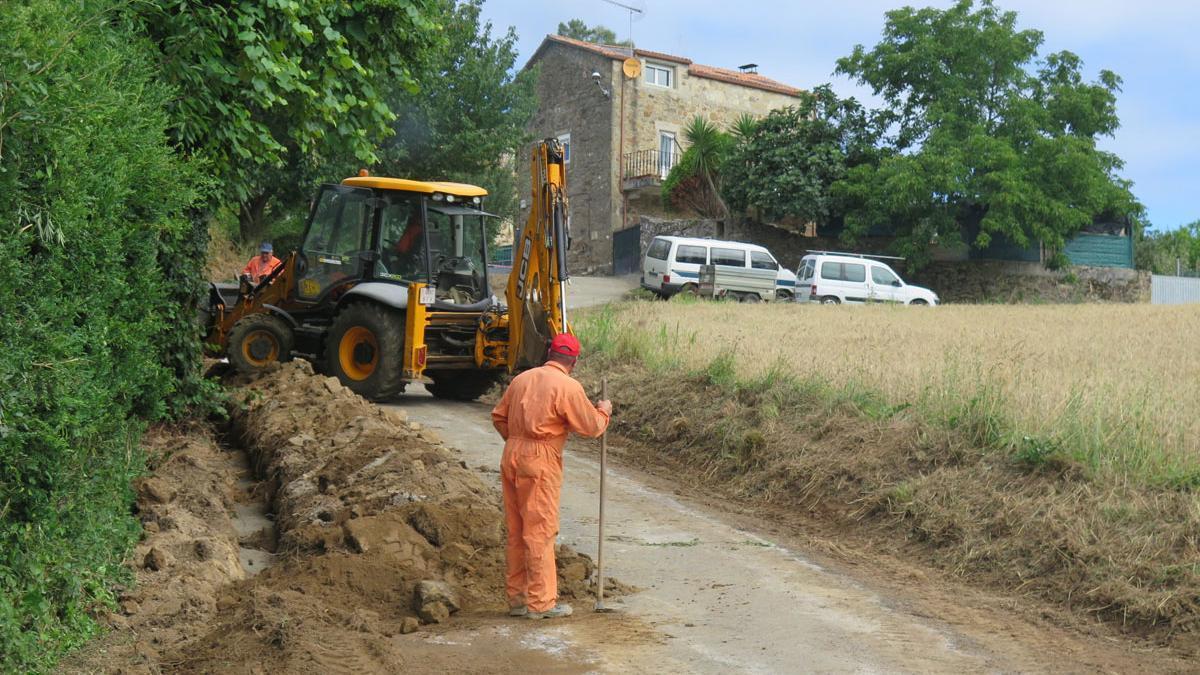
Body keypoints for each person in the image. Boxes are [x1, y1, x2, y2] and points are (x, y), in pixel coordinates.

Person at [491, 333, 612, 620]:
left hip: (512, 453)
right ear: (574, 361)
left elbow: (499, 416)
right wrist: (604, 411)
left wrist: (517, 442)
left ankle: (518, 599)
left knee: (517, 530)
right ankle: (541, 602)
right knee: (540, 530)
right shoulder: (567, 387)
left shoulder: (522, 379)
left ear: (549, 353)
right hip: (540, 458)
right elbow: (592, 426)